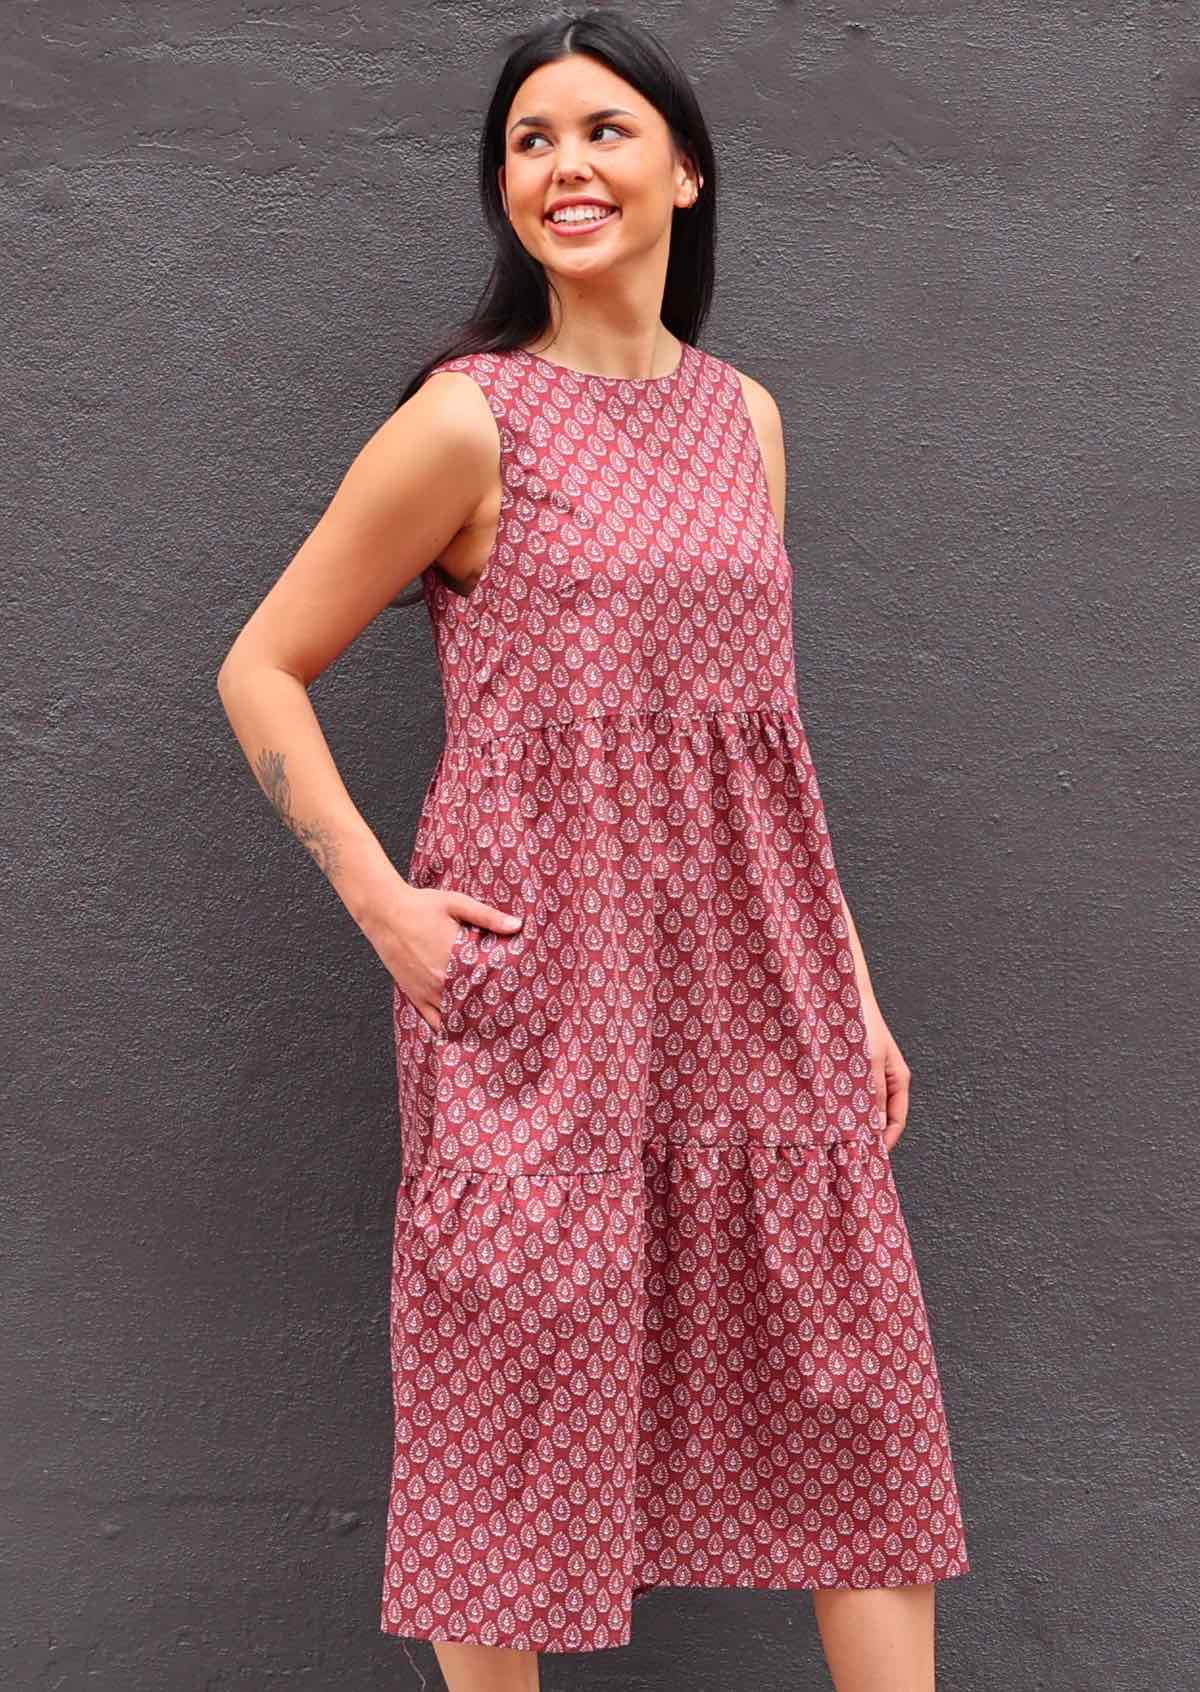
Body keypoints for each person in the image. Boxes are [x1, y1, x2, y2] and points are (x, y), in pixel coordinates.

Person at [217, 10, 970, 1690]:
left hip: (757, 980)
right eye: (533, 141)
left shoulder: (746, 421)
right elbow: (259, 664)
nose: (567, 166)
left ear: (686, 171)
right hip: (544, 986)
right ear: (504, 191)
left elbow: (764, 738)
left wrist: (851, 986)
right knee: (515, 1378)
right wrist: (382, 905)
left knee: (850, 1391)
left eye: (606, 130)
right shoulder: (467, 422)